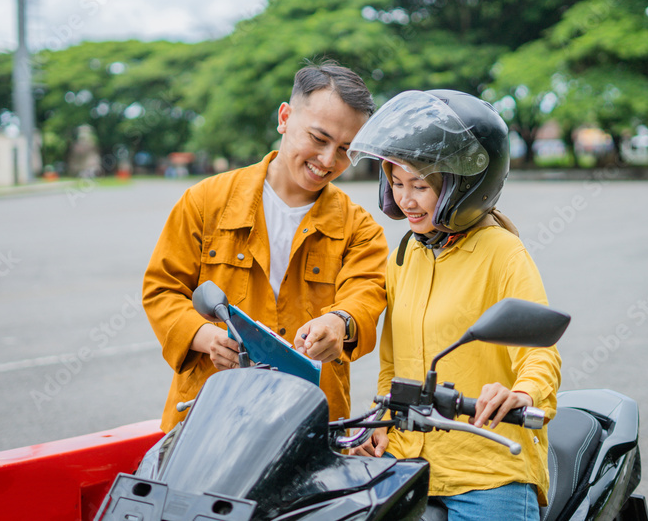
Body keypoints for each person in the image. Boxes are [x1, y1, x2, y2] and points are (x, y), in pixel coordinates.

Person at [347, 89, 561, 521]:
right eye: (397, 184)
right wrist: (382, 425)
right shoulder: (405, 255)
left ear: (464, 186)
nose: (406, 200)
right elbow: (394, 366)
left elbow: (540, 351)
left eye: (420, 186)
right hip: (409, 465)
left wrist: (520, 393)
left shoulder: (502, 252)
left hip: (487, 468)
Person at [142, 60, 388, 433]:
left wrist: (339, 323)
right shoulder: (205, 202)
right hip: (209, 418)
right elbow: (161, 290)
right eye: (319, 139)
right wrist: (208, 338)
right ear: (285, 117)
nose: (327, 161)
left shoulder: (360, 228)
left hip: (310, 422)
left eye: (345, 150)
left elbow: (366, 295)